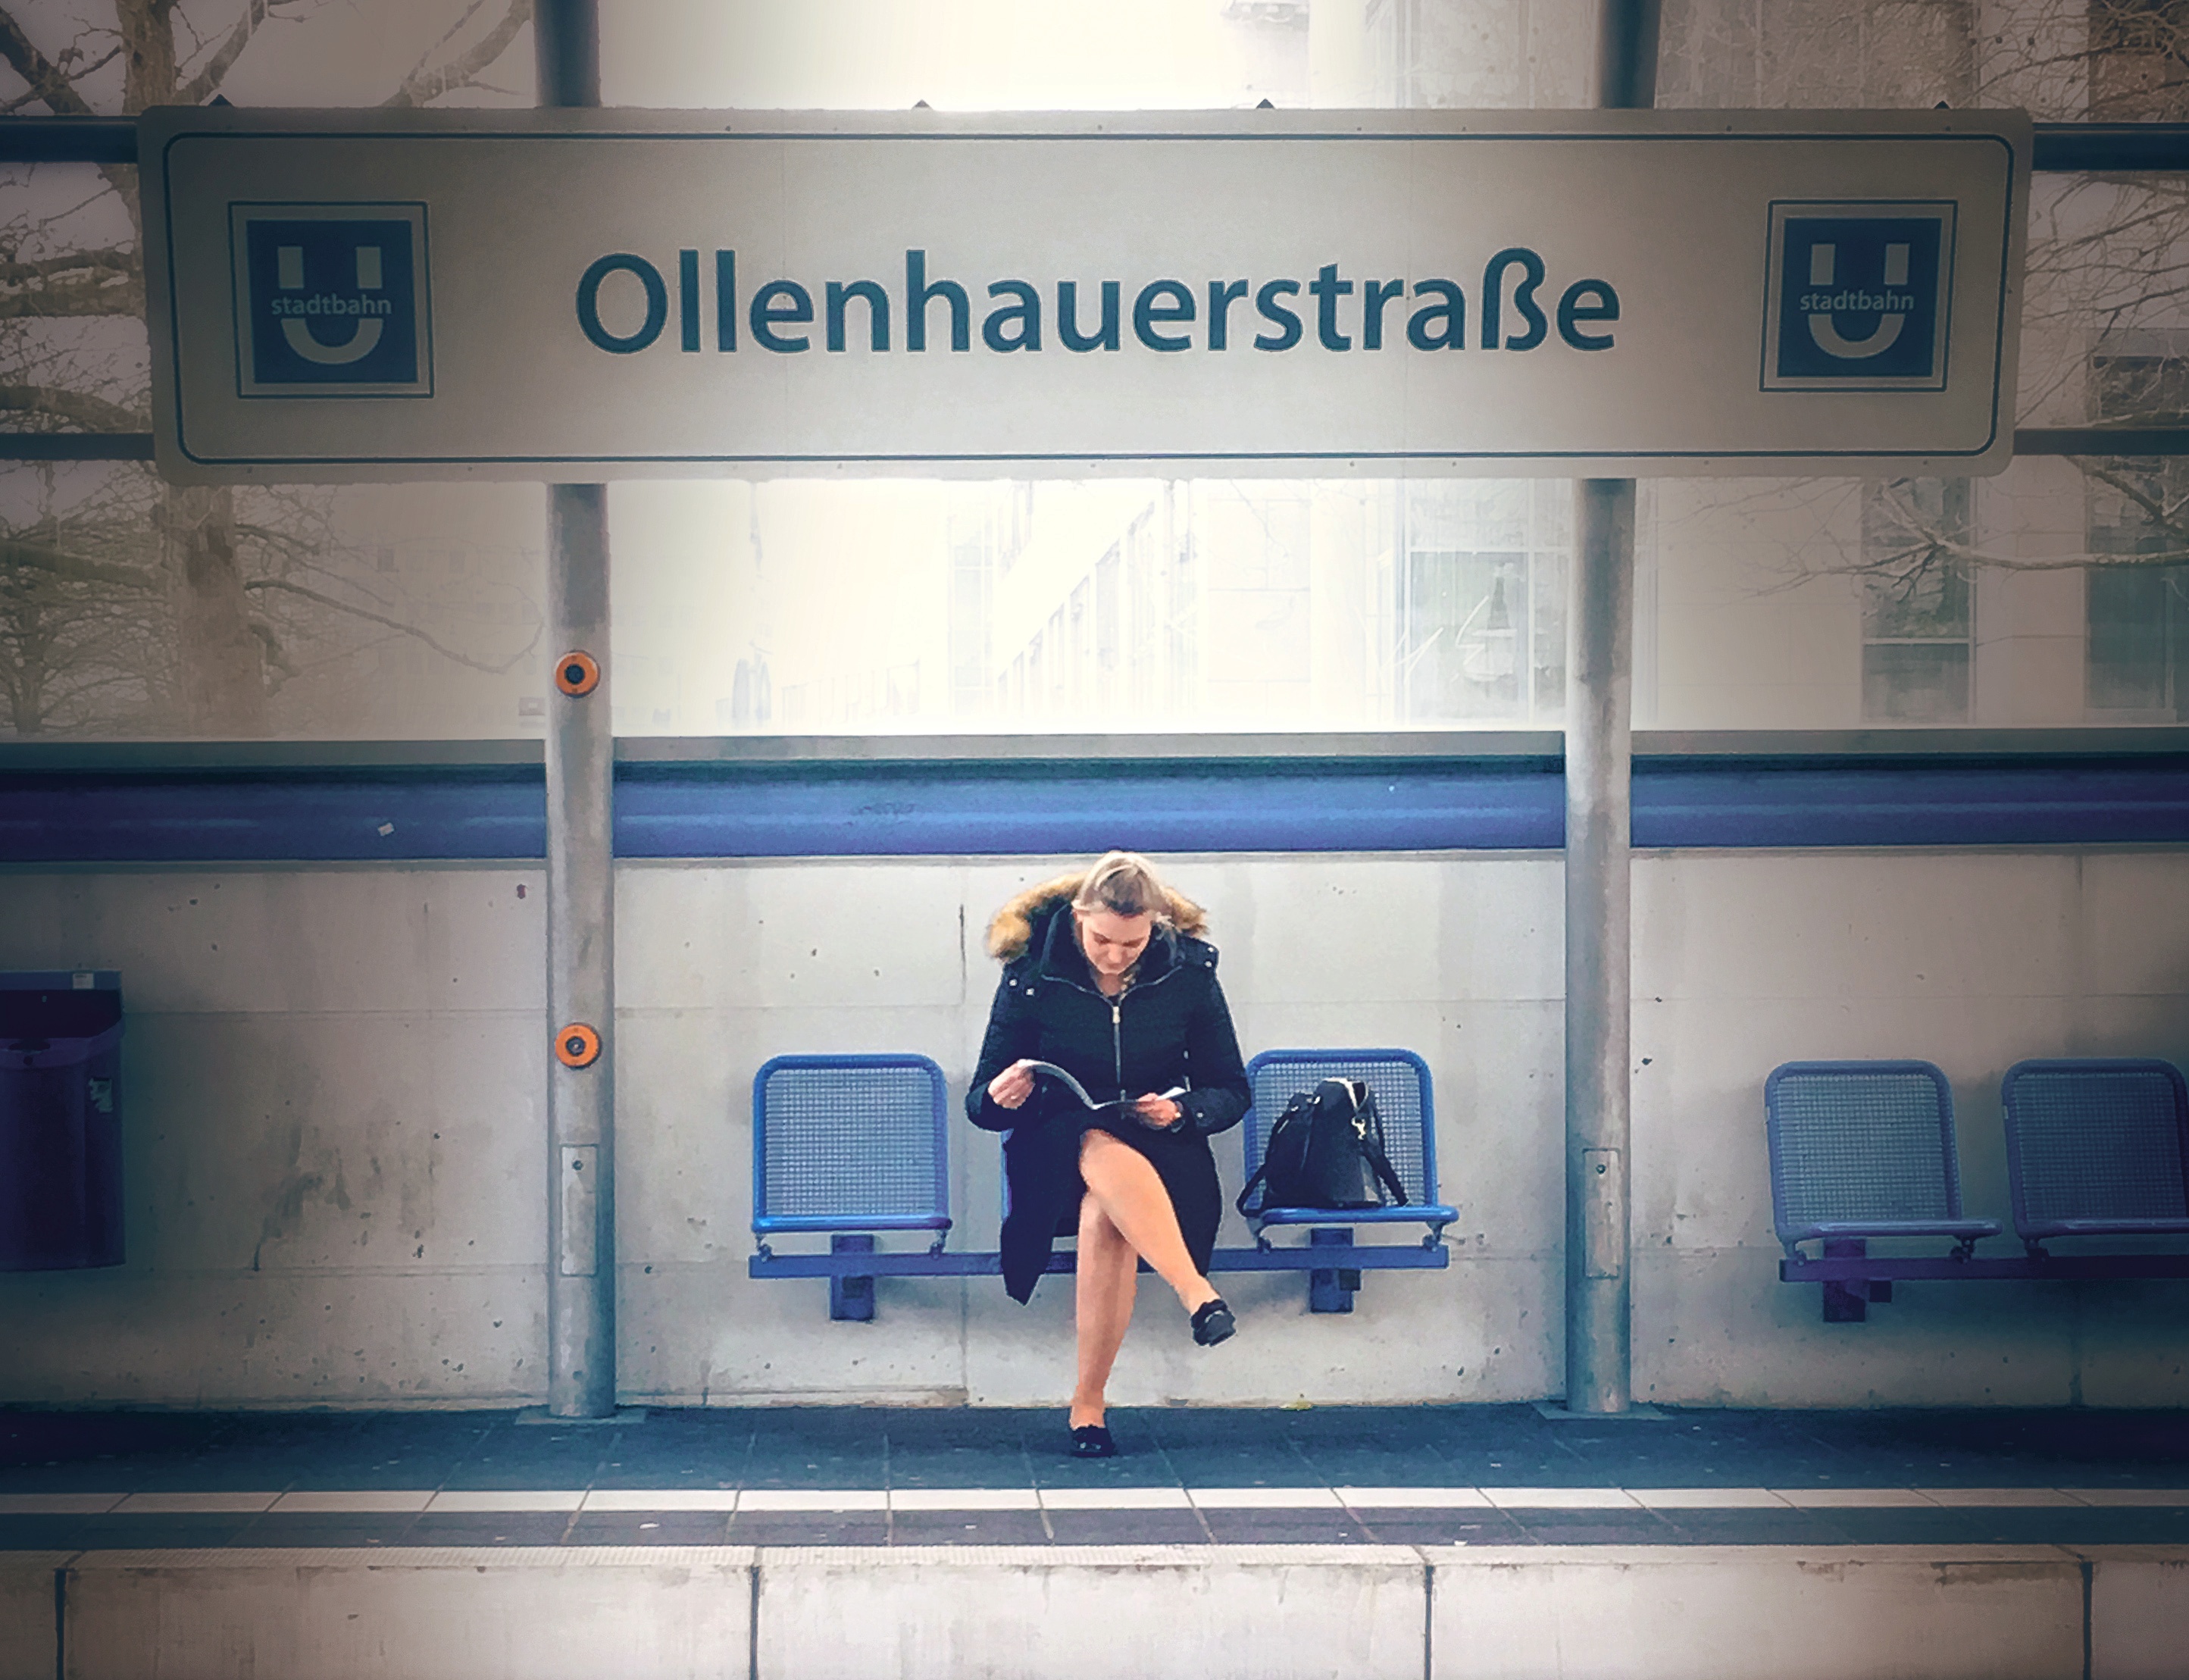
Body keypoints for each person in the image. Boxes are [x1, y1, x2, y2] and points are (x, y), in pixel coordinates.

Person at [967, 850, 1251, 1459]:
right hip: (1055, 1144)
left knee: (1106, 1212)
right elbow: (981, 1103)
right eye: (1102, 939)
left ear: (1156, 924)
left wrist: (1182, 1111)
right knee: (1092, 1139)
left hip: (1160, 1146)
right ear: (1077, 917)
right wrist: (1000, 1095)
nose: (1116, 955)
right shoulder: (1030, 971)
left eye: (1133, 942)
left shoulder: (1190, 972)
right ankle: (1197, 1294)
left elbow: (1229, 1088)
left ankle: (1087, 1403)